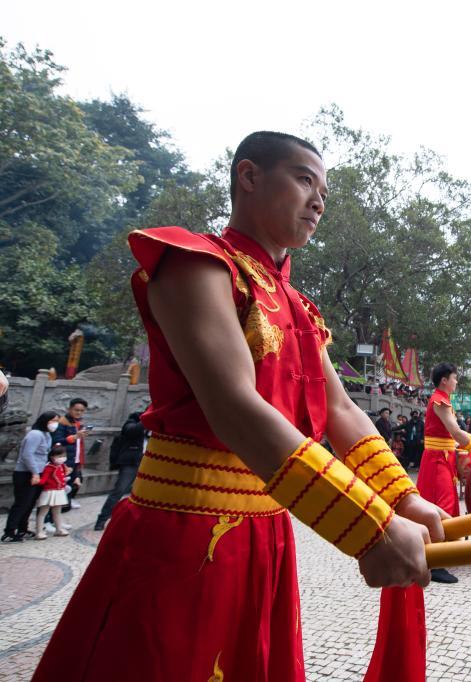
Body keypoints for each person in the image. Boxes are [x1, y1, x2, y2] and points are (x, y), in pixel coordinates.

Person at [34, 131, 442, 682]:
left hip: (268, 535)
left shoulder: (299, 306)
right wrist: (366, 524)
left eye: (325, 190)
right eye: (304, 180)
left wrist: (404, 498)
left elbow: (340, 410)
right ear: (249, 177)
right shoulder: (194, 264)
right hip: (184, 533)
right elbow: (232, 407)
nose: (319, 200)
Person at [417, 362, 471, 584]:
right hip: (437, 459)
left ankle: (438, 555)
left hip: (442, 459)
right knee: (443, 505)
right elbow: (456, 432)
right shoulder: (439, 401)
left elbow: (454, 434)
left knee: (439, 504)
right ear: (444, 381)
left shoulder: (442, 400)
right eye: (454, 378)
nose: (456, 382)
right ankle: (437, 563)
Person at [3, 411, 60, 542]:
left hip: (39, 473)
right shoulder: (35, 434)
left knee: (30, 503)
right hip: (26, 473)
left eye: (56, 421)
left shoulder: (47, 435)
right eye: (53, 421)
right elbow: (27, 455)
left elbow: (45, 454)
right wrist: (34, 472)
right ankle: (10, 531)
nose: (55, 424)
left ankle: (23, 528)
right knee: (22, 503)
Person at [94, 411, 147, 531]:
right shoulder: (134, 419)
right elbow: (130, 430)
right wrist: (148, 419)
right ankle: (102, 519)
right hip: (132, 462)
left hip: (150, 461)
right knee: (119, 490)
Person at [52, 398, 88, 510]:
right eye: (76, 410)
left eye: (82, 410)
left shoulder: (79, 422)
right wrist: (74, 437)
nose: (79, 413)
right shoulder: (62, 422)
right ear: (69, 409)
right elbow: (57, 441)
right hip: (64, 459)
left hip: (75, 458)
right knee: (62, 486)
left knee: (76, 482)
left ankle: (67, 503)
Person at [34, 445, 71, 540]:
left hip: (59, 492)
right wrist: (36, 481)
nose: (62, 458)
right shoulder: (49, 467)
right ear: (52, 457)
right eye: (59, 456)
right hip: (49, 492)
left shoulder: (61, 466)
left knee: (57, 512)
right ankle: (39, 531)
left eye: (63, 455)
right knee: (43, 512)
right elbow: (43, 480)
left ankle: (58, 529)